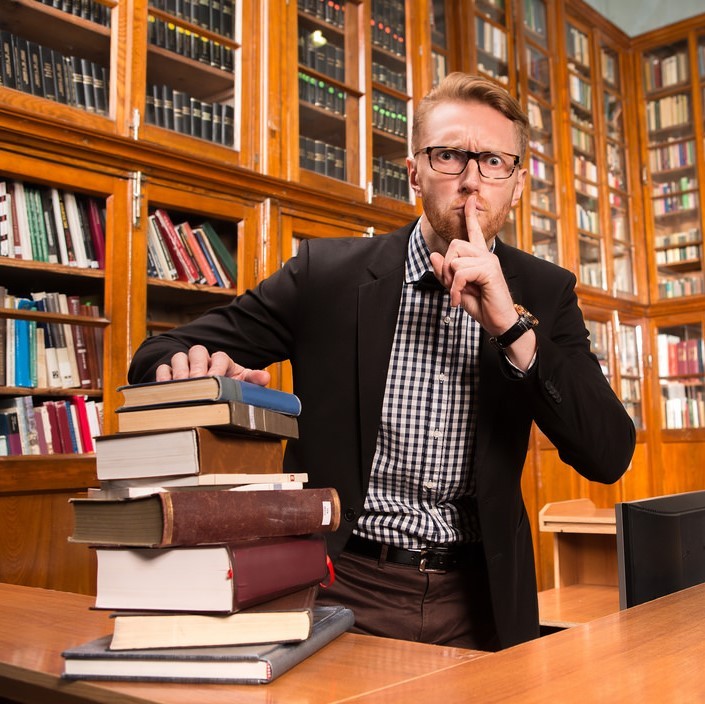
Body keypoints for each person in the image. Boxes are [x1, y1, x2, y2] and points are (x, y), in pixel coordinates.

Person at [127, 73, 636, 651]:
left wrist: (510, 328)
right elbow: (154, 355)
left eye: (493, 162)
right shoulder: (328, 275)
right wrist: (192, 373)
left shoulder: (545, 292)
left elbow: (608, 452)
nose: (471, 181)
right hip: (336, 585)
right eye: (449, 156)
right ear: (414, 170)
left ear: (516, 184)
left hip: (482, 597)